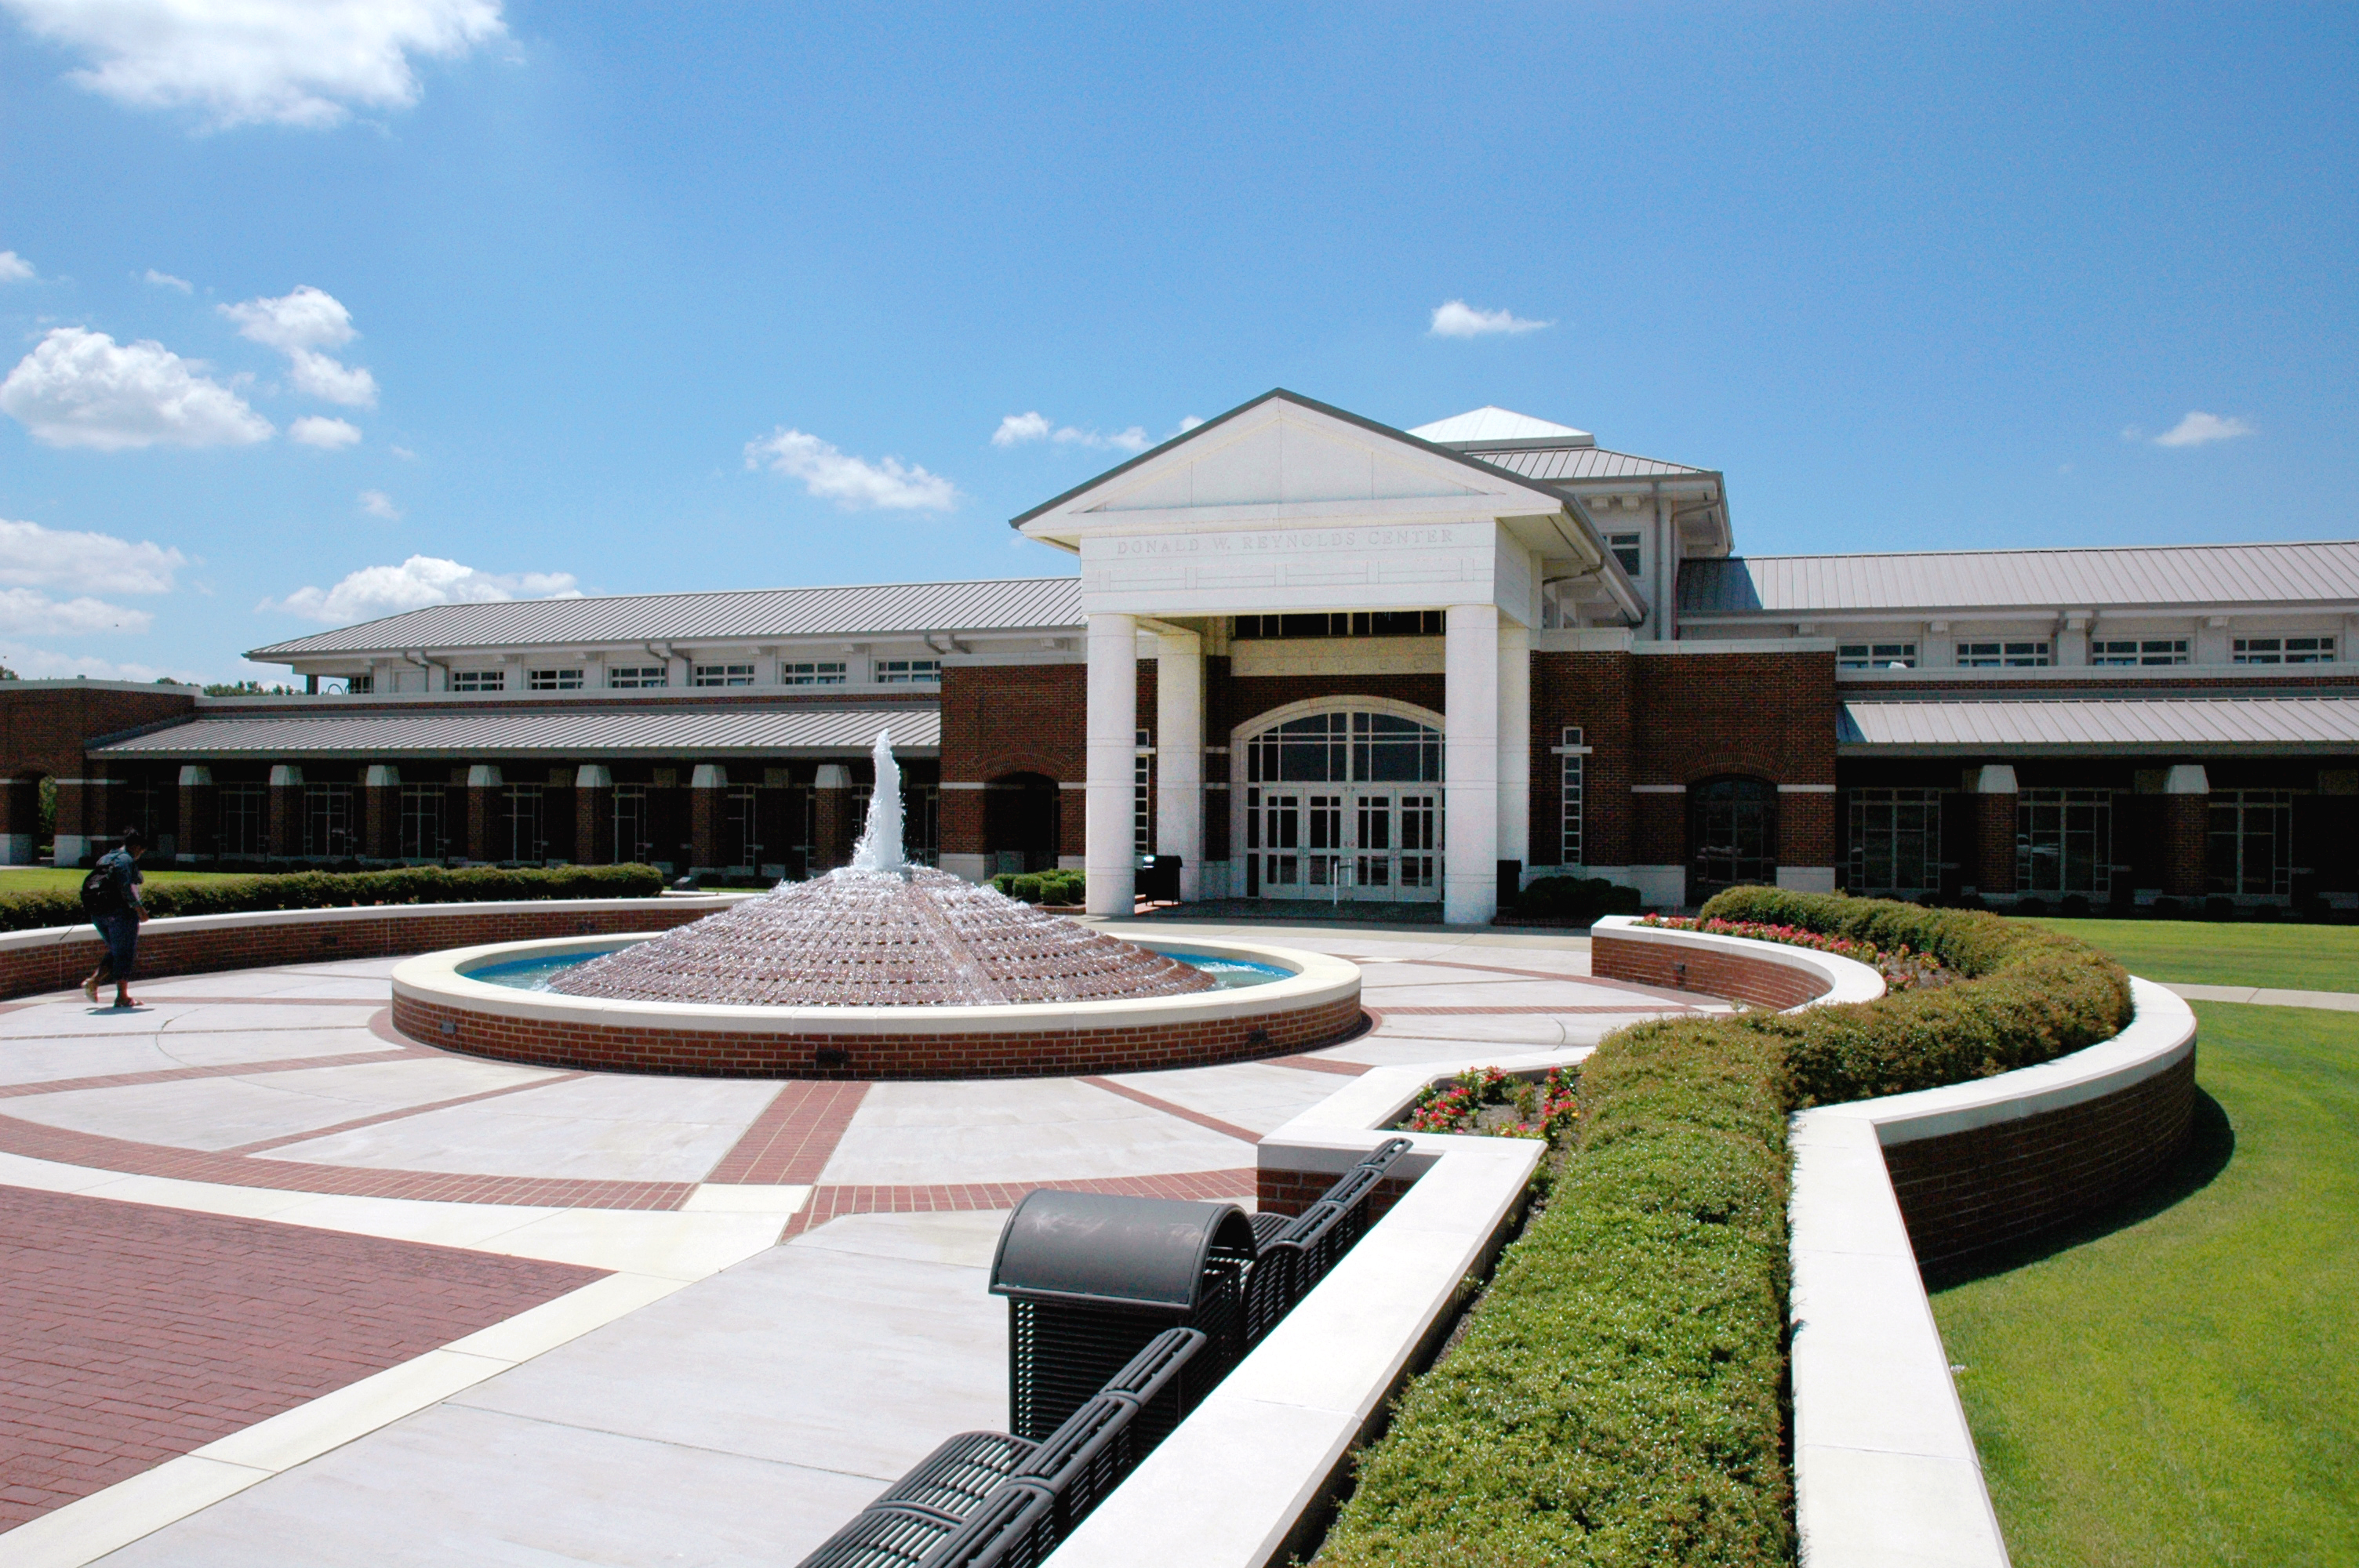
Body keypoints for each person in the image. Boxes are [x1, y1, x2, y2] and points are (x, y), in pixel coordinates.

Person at [81, 827, 147, 1008]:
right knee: (124, 953)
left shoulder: (105, 858)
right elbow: (127, 887)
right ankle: (122, 997)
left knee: (117, 950)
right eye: (141, 851)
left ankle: (94, 982)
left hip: (98, 913)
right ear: (136, 847)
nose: (140, 855)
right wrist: (140, 910)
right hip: (120, 913)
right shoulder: (127, 860)